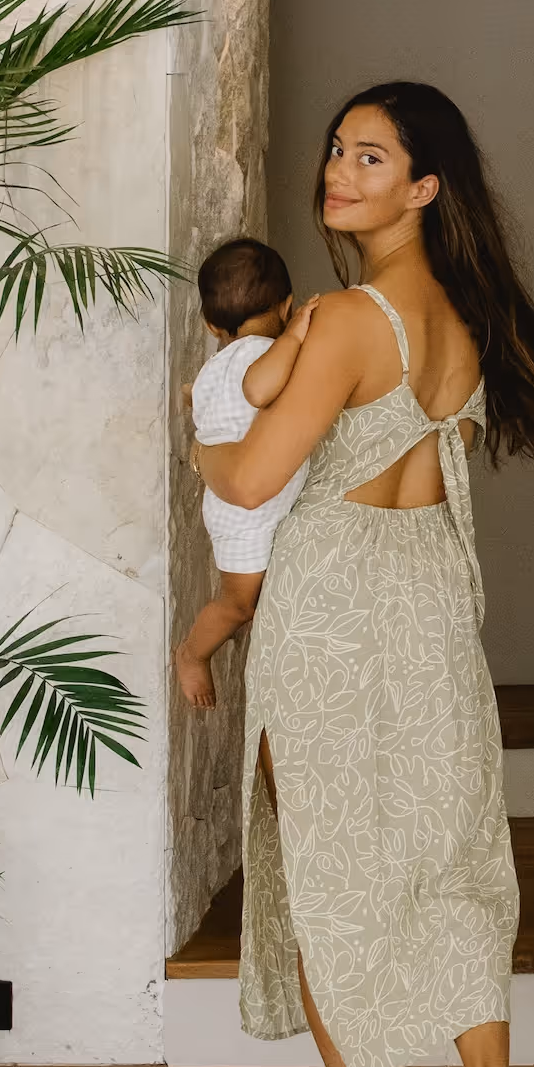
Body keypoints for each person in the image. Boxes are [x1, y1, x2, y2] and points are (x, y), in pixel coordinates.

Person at [192, 82, 534, 1067]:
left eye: (370, 157)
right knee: (451, 861)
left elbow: (251, 481)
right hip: (427, 597)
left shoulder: (350, 319)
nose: (338, 168)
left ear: (423, 187)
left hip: (327, 602)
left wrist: (193, 432)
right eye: (336, 149)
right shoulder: (461, 321)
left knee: (327, 881)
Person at [174, 237, 316, 713]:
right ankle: (192, 653)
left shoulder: (216, 365)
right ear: (287, 306)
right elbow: (258, 389)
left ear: (212, 326)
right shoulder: (263, 353)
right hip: (244, 515)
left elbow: (197, 398)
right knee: (239, 605)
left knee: (255, 600)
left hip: (236, 502)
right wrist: (295, 337)